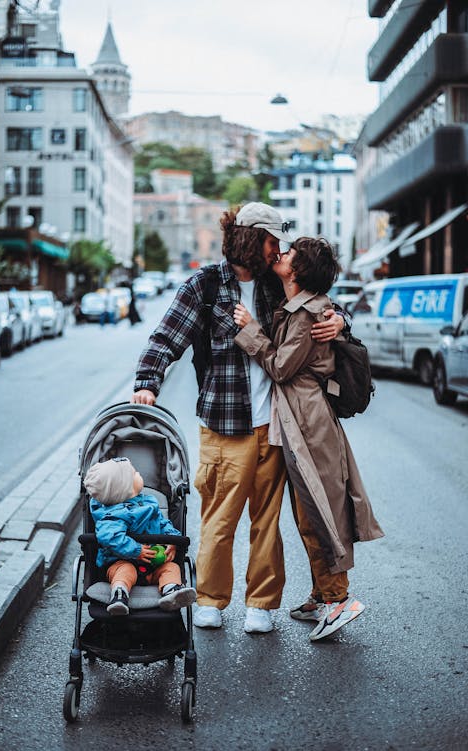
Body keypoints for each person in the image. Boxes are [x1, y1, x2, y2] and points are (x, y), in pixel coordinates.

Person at [131, 202, 347, 635]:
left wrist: (340, 320)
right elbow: (166, 336)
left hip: (274, 423)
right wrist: (147, 382)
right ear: (251, 239)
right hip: (222, 424)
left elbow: (320, 303)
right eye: (271, 242)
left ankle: (261, 604)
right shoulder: (204, 286)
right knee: (219, 517)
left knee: (266, 521)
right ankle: (211, 598)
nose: (277, 250)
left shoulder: (275, 285)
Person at [233, 236, 384, 641]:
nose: (279, 255)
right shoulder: (302, 306)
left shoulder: (308, 314)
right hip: (300, 419)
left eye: (289, 255)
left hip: (309, 423)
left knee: (319, 509)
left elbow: (281, 368)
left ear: (297, 272)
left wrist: (250, 331)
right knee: (308, 510)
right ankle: (322, 594)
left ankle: (338, 599)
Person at [84, 457, 196, 615]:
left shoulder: (148, 503)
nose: (138, 473)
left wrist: (172, 539)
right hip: (120, 563)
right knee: (126, 570)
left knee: (171, 568)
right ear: (124, 488)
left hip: (154, 565)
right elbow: (109, 537)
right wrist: (136, 550)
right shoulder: (112, 515)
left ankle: (171, 592)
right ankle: (119, 595)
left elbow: (162, 523)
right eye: (134, 473)